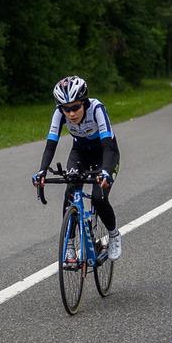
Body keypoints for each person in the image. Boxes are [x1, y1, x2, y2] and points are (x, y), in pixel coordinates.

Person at [32, 76, 122, 263]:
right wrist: (41, 171)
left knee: (99, 197)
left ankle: (113, 235)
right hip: (80, 152)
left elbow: (107, 144)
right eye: (66, 109)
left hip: (105, 153)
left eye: (75, 108)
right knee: (70, 193)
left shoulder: (97, 109)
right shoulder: (59, 114)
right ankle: (70, 245)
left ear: (84, 102)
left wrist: (105, 171)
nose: (71, 114)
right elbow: (50, 145)